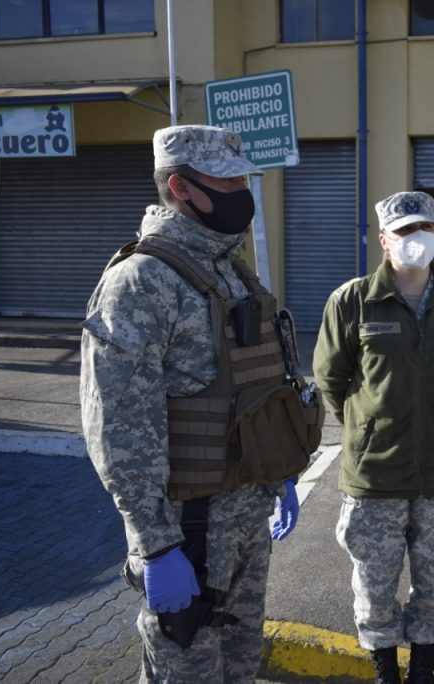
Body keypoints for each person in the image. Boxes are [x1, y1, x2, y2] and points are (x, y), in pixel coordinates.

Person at [81, 125, 302, 682]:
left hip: (247, 513)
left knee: (241, 667)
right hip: (190, 531)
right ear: (180, 186)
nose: (242, 190)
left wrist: (278, 472)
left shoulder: (230, 268)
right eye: (227, 180)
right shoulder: (141, 282)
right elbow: (119, 427)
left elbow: (254, 388)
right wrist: (154, 545)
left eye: (243, 178)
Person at [313, 191, 434, 684]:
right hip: (375, 479)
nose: (418, 239)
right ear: (384, 240)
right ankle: (386, 674)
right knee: (373, 591)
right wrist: (369, 427)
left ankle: (422, 675)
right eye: (406, 231)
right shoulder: (352, 301)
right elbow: (331, 379)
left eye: (427, 230)